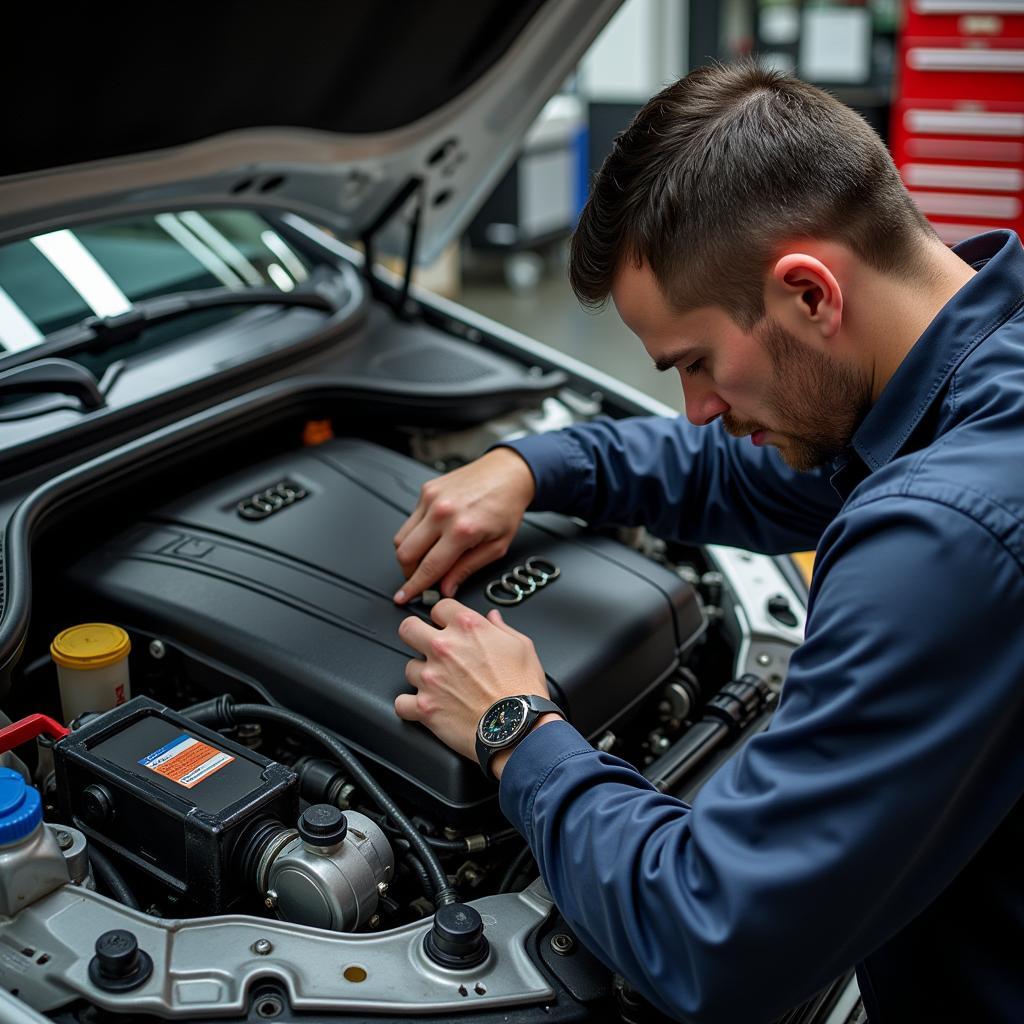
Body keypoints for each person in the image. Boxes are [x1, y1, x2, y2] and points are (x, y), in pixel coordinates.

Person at [391, 61, 1024, 1023]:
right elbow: (746, 474)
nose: (695, 412)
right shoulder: (970, 373)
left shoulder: (946, 537)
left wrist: (517, 727)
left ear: (810, 293)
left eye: (696, 364)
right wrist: (536, 464)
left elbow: (714, 938)